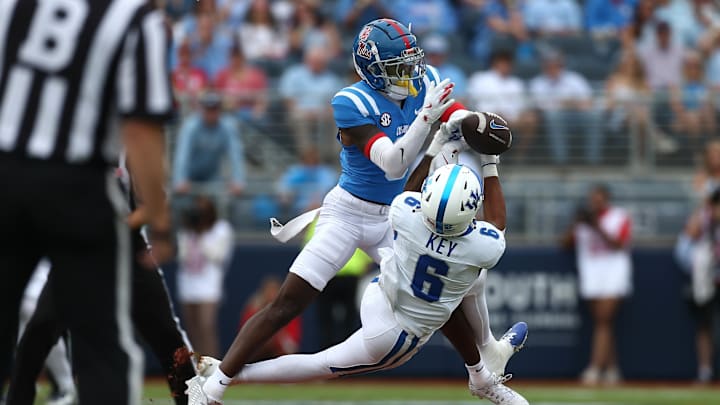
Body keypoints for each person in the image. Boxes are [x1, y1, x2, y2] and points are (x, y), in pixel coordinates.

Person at [186, 18, 527, 405]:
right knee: (288, 302)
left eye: (410, 63)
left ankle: (484, 369)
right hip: (349, 212)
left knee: (442, 288)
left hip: (398, 215)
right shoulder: (351, 102)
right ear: (373, 71)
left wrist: (480, 126)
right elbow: (393, 165)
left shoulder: (425, 81)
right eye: (398, 67)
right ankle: (213, 389)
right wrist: (427, 119)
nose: (410, 73)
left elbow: (459, 120)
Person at [188, 163, 528, 405]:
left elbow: (408, 191)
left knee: (458, 286)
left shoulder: (406, 212)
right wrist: (490, 161)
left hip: (380, 293)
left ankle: (483, 368)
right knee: (466, 281)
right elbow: (496, 222)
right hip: (396, 334)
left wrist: (437, 150)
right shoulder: (482, 245)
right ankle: (485, 359)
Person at [0, 1, 172, 404]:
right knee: (102, 348)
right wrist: (161, 222)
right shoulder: (133, 18)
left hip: (5, 177)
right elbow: (143, 128)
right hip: (81, 189)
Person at [6, 157, 197, 405]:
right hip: (76, 249)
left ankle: (194, 402)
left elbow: (152, 203)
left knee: (166, 336)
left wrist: (113, 226)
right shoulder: (66, 148)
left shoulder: (126, 142)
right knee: (39, 330)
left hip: (126, 247)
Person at [562, 185, 633, 386]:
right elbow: (565, 243)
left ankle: (594, 368)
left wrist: (596, 225)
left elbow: (619, 243)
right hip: (591, 275)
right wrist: (576, 223)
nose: (595, 203)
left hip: (613, 274)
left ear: (607, 199)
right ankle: (611, 369)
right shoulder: (583, 222)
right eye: (592, 199)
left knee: (603, 320)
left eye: (599, 199)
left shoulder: (619, 216)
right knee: (604, 323)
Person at [177, 196, 235, 358]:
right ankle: (196, 366)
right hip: (188, 284)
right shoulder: (187, 231)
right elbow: (182, 257)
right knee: (191, 329)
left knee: (206, 326)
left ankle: (212, 366)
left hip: (209, 285)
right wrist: (192, 232)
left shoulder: (221, 229)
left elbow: (217, 256)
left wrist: (201, 235)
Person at [676, 188, 720, 384]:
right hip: (706, 281)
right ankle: (705, 371)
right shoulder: (703, 218)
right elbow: (686, 242)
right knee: (704, 326)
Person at [529, 50, 603, 164]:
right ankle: (561, 161)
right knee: (554, 116)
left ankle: (593, 161)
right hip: (554, 117)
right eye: (549, 65)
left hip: (577, 115)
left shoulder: (575, 79)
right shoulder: (537, 83)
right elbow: (541, 107)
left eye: (556, 64)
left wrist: (570, 104)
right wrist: (563, 104)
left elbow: (588, 101)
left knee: (595, 116)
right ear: (544, 66)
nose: (553, 68)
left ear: (561, 65)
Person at [467, 50, 537, 161]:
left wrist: (517, 117)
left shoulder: (516, 83)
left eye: (508, 63)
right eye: (503, 62)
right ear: (495, 63)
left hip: (513, 119)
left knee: (530, 119)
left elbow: (523, 106)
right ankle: (493, 159)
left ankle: (518, 157)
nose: (506, 66)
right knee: (496, 118)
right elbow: (473, 102)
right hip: (487, 118)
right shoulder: (480, 79)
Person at [172, 92, 246, 197]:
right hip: (190, 175)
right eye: (208, 109)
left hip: (212, 176)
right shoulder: (190, 126)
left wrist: (238, 180)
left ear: (219, 110)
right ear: (202, 109)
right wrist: (180, 179)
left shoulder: (228, 127)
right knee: (183, 202)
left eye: (214, 109)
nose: (211, 113)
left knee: (219, 200)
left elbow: (236, 155)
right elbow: (182, 155)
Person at [278, 45, 343, 159]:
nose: (317, 63)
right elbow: (288, 99)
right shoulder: (294, 74)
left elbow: (337, 102)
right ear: (307, 60)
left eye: (320, 61)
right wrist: (305, 112)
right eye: (314, 60)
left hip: (323, 114)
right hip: (300, 112)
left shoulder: (332, 79)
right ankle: (308, 157)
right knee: (299, 118)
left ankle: (331, 156)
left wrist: (324, 112)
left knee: (339, 117)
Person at [239, 277, 302, 362]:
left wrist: (278, 331)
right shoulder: (253, 311)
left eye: (274, 292)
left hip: (281, 361)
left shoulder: (289, 312)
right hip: (255, 361)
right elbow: (243, 346)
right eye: (268, 292)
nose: (271, 296)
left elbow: (291, 348)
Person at [276, 148, 338, 217]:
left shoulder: (326, 173)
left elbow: (327, 190)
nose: (310, 162)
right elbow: (283, 188)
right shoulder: (295, 171)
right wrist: (286, 197)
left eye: (313, 159)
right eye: (308, 159)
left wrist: (315, 203)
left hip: (321, 210)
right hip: (296, 210)